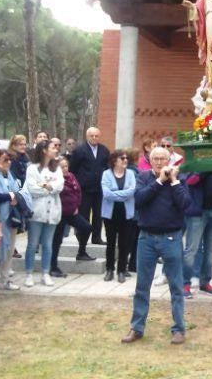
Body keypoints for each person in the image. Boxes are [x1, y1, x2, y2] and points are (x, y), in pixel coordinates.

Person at [122, 147, 191, 345]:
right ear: (150, 161)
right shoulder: (143, 177)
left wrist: (174, 181)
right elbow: (139, 199)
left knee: (176, 286)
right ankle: (137, 328)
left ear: (170, 160)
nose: (159, 162)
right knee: (142, 286)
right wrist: (160, 181)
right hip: (147, 238)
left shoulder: (179, 179)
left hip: (171, 237)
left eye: (163, 158)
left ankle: (178, 329)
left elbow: (185, 203)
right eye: (155, 159)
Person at [23, 140, 64, 287]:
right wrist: (48, 188)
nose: (56, 150)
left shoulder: (57, 169)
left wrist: (47, 186)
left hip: (52, 211)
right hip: (36, 211)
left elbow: (59, 186)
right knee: (33, 244)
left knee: (48, 244)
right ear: (44, 150)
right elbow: (31, 188)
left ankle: (45, 273)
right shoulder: (32, 169)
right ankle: (29, 273)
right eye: (53, 147)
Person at [181, 170, 212, 297]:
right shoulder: (194, 162)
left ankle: (205, 282)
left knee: (211, 250)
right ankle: (185, 284)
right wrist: (204, 169)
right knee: (191, 250)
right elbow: (189, 181)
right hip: (197, 214)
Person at [69, 127, 110, 256]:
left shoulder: (104, 150)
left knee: (98, 214)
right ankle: (82, 239)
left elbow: (107, 167)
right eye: (92, 136)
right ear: (87, 136)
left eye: (96, 136)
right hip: (84, 189)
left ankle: (96, 237)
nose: (94, 138)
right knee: (84, 213)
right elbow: (73, 169)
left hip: (99, 188)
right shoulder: (79, 150)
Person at [0, 151, 22, 291]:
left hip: (11, 217)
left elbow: (18, 191)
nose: (8, 162)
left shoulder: (10, 175)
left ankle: (5, 280)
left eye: (9, 160)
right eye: (4, 160)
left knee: (9, 249)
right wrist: (11, 195)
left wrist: (14, 196)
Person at [51, 157, 90, 278]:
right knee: (57, 240)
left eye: (66, 166)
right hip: (60, 213)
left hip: (72, 212)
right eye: (61, 167)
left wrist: (77, 206)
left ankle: (81, 251)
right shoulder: (55, 179)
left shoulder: (71, 176)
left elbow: (78, 192)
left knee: (86, 227)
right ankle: (53, 266)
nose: (64, 169)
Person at [101, 150, 135, 283]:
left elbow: (132, 191)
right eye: (122, 158)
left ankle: (121, 270)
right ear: (114, 160)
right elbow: (106, 194)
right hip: (110, 214)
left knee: (124, 243)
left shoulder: (131, 174)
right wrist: (123, 195)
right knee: (110, 243)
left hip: (126, 214)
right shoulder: (106, 174)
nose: (125, 160)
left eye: (127, 158)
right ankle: (110, 269)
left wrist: (116, 194)